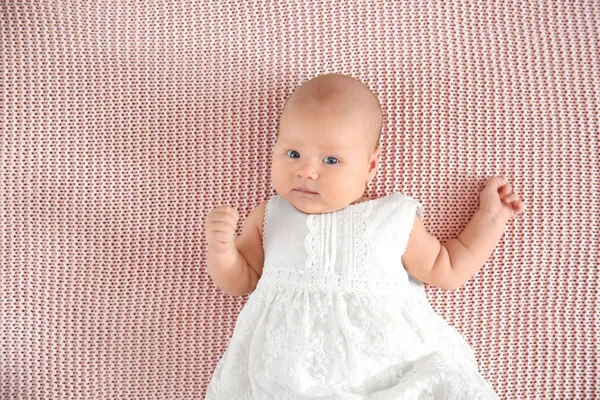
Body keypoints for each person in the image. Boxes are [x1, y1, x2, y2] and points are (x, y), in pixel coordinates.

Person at [204, 73, 524, 399]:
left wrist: (491, 217)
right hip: (289, 377)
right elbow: (239, 281)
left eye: (331, 160)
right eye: (292, 154)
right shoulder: (271, 215)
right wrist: (222, 249)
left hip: (387, 369)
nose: (306, 171)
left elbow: (449, 268)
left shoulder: (392, 219)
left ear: (370, 166)